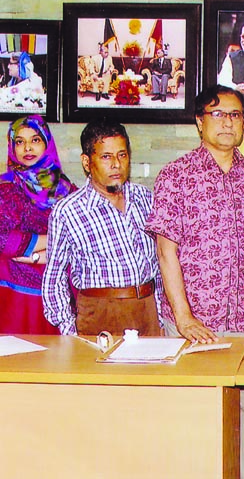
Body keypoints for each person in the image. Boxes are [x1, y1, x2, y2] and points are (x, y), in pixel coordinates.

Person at [147, 85, 244, 342]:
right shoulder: (176, 175)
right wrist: (184, 317)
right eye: (218, 114)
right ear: (199, 121)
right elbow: (165, 251)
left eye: (235, 115)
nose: (228, 123)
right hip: (193, 324)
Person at [42, 119, 163, 336]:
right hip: (99, 314)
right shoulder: (69, 210)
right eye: (106, 157)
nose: (116, 164)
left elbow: (160, 262)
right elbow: (54, 277)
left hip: (148, 310)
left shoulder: (145, 198)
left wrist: (161, 316)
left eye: (122, 155)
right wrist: (70, 330)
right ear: (87, 162)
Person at [0, 116, 75, 334]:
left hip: (56, 293)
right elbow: (3, 241)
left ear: (47, 143)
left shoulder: (67, 191)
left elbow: (80, 242)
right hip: (11, 295)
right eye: (20, 142)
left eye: (35, 140)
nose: (27, 148)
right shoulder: (5, 188)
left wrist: (38, 255)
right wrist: (55, 241)